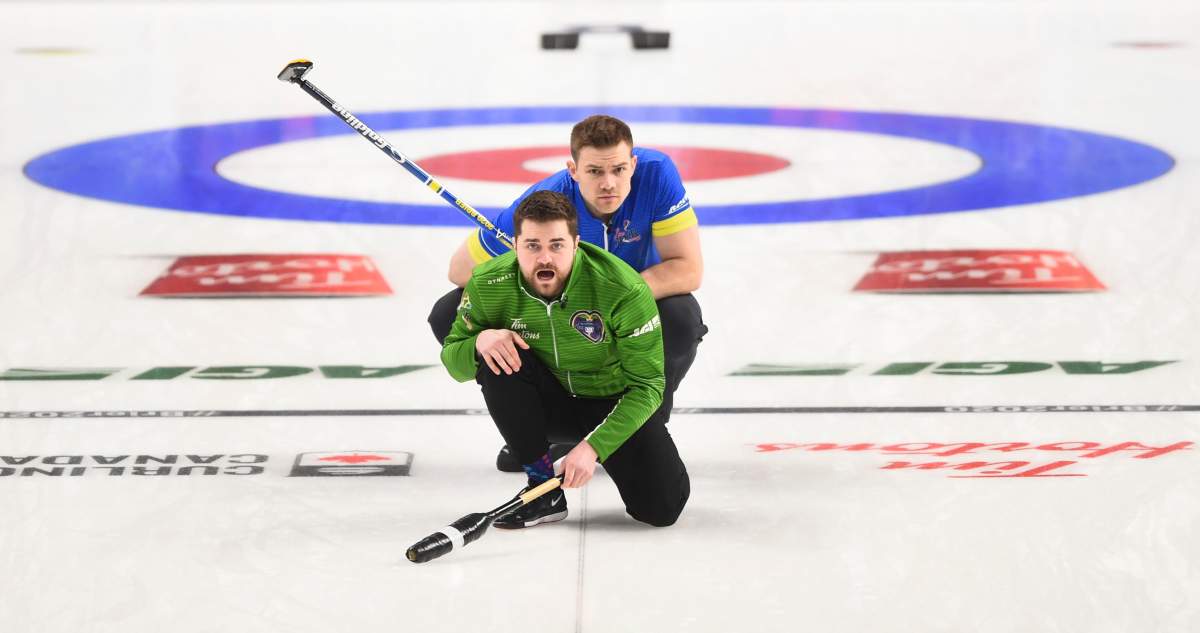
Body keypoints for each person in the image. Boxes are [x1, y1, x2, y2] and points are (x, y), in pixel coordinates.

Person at [429, 114, 707, 472]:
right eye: (594, 172)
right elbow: (460, 270)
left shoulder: (657, 175)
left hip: (630, 311)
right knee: (448, 314)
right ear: (572, 170)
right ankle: (540, 428)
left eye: (619, 170)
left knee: (680, 319)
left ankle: (639, 426)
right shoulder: (545, 205)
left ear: (633, 165)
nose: (609, 184)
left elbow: (688, 268)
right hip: (557, 318)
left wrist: (614, 298)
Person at [441, 190, 689, 528]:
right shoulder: (488, 283)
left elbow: (648, 387)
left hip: (609, 402)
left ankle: (609, 453)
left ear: (576, 244)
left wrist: (594, 447)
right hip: (548, 403)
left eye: (556, 245)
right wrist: (479, 342)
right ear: (515, 245)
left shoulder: (622, 288)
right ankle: (542, 488)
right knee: (495, 357)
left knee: (661, 508)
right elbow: (455, 363)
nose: (545, 258)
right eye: (532, 246)